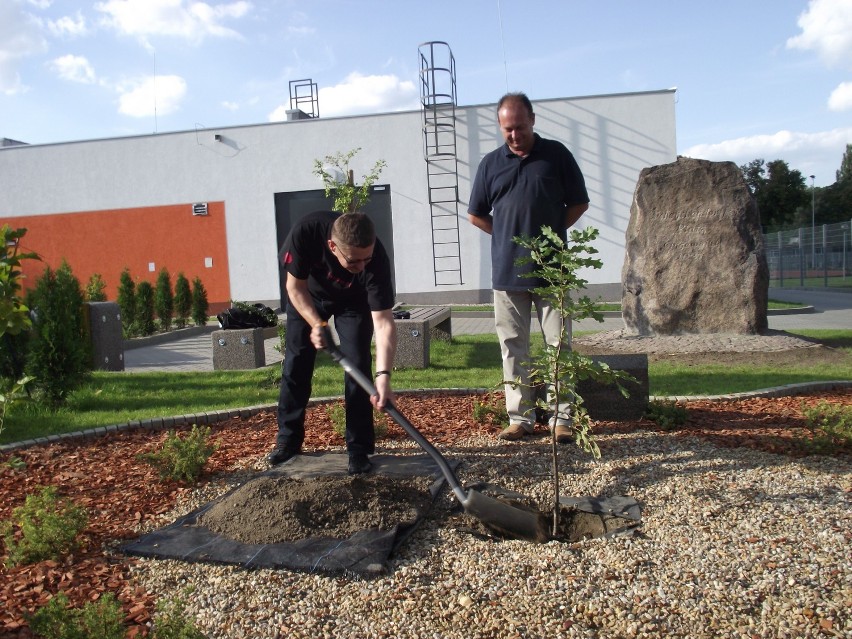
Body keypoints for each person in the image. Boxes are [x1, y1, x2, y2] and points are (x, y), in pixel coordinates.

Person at [468, 92, 590, 443]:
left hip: (552, 272)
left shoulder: (556, 156)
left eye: (520, 127)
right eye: (508, 129)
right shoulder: (491, 164)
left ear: (533, 120)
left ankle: (561, 419)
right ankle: (520, 418)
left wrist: (550, 237)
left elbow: (578, 203)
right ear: (500, 127)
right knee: (512, 346)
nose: (515, 135)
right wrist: (508, 236)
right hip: (507, 275)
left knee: (558, 346)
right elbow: (476, 214)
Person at [270, 211, 397, 474]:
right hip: (308, 298)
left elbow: (383, 322)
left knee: (357, 364)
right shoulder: (306, 231)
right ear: (332, 247)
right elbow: (294, 288)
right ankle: (288, 440)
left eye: (366, 259)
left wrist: (383, 376)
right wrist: (317, 324)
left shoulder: (376, 261)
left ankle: (358, 449)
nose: (362, 266)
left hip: (354, 303)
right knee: (297, 362)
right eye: (353, 261)